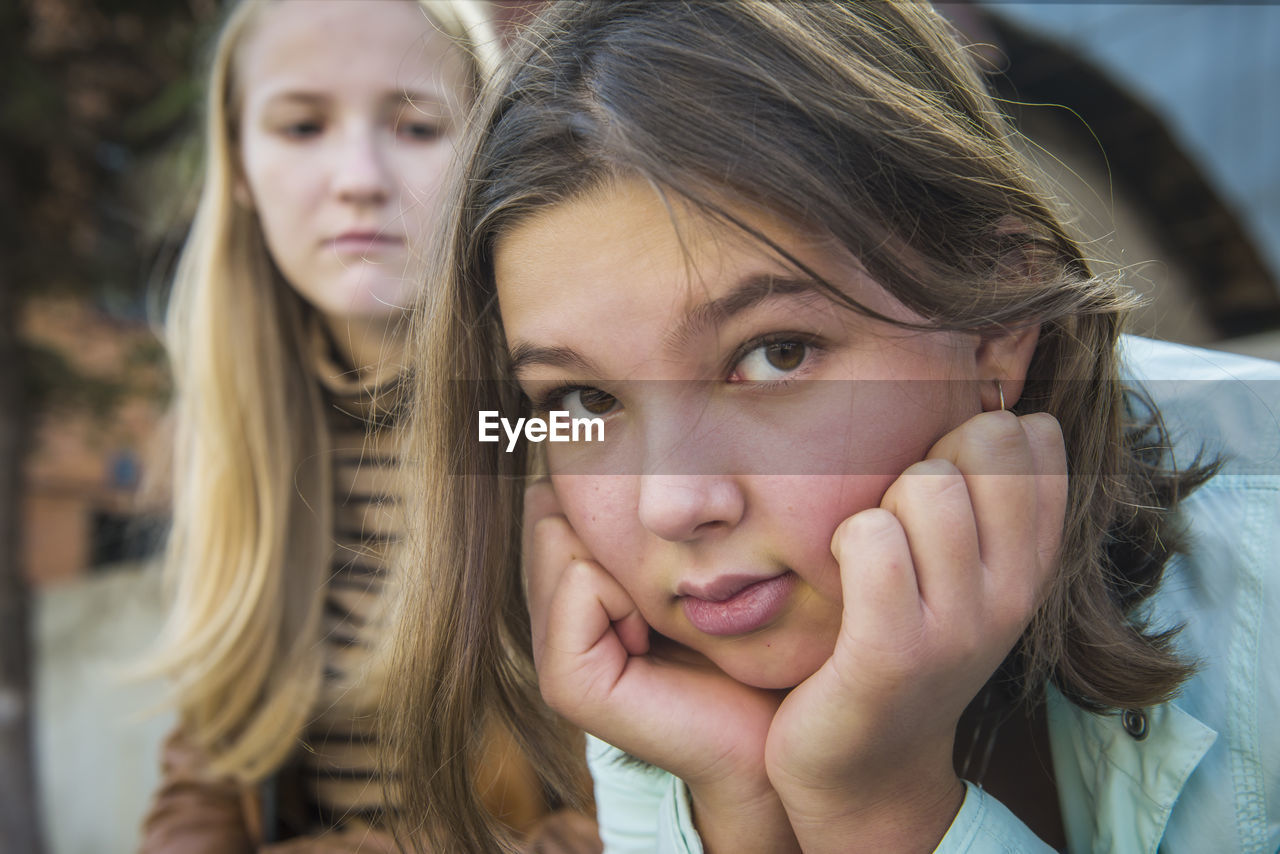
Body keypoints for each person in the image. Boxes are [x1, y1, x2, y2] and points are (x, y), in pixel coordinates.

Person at [385, 1, 1280, 852]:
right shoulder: (662, 668)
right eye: (585, 401)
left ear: (1000, 322)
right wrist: (739, 801)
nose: (671, 504)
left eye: (775, 353)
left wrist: (880, 812)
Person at [138, 1, 600, 851]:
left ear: (485, 153)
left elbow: (645, 804)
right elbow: (201, 778)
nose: (359, 176)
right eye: (303, 125)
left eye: (418, 127)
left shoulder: (549, 422)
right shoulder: (244, 440)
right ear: (238, 163)